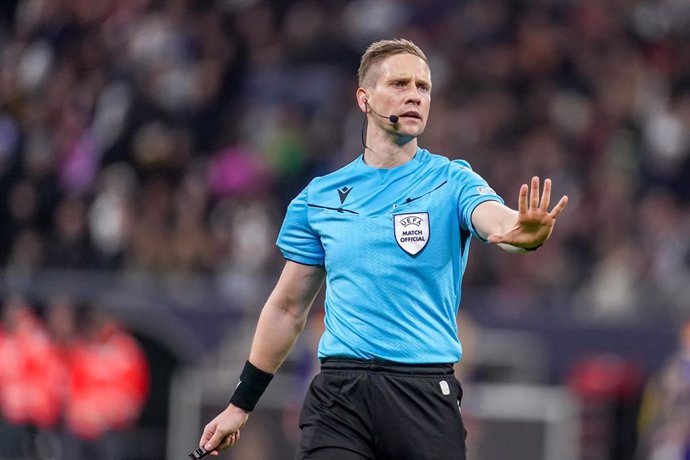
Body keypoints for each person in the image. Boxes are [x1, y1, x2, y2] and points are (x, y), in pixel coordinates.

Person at [199, 38, 568, 459]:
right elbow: (286, 308)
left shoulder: (452, 181)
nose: (414, 94)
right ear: (364, 98)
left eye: (423, 87)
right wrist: (240, 404)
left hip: (424, 396)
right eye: (399, 83)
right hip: (340, 397)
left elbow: (497, 220)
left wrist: (523, 232)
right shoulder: (318, 197)